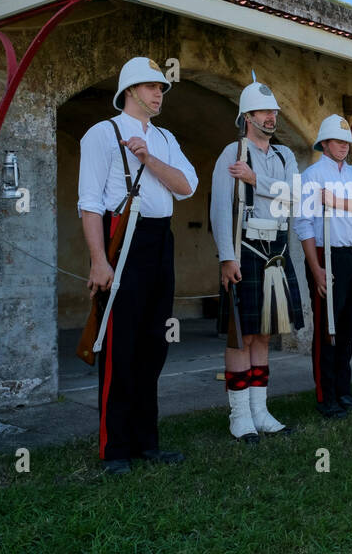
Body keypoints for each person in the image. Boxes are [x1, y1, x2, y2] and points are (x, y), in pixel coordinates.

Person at [78, 56, 200, 474]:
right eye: (151, 87)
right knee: (117, 347)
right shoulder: (103, 132)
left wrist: (149, 158)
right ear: (130, 90)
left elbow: (186, 186)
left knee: (154, 344)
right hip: (121, 237)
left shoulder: (165, 139)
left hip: (159, 237)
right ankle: (114, 448)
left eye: (161, 88)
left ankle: (147, 441)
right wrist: (98, 261)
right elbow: (90, 203)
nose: (158, 93)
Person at [210, 77, 304, 443]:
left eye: (274, 111)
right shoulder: (231, 154)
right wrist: (226, 258)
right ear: (247, 116)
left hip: (276, 252)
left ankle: (261, 411)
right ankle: (239, 415)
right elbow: (220, 209)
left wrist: (256, 180)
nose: (271, 117)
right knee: (241, 337)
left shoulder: (285, 155)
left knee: (263, 335)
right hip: (244, 249)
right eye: (264, 111)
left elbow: (297, 196)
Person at [296, 115, 352, 418]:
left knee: (348, 328)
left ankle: (344, 392)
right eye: (337, 141)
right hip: (325, 254)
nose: (343, 146)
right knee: (327, 330)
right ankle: (326, 396)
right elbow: (303, 225)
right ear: (325, 144)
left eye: (346, 141)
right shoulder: (312, 176)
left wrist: (338, 201)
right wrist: (315, 267)